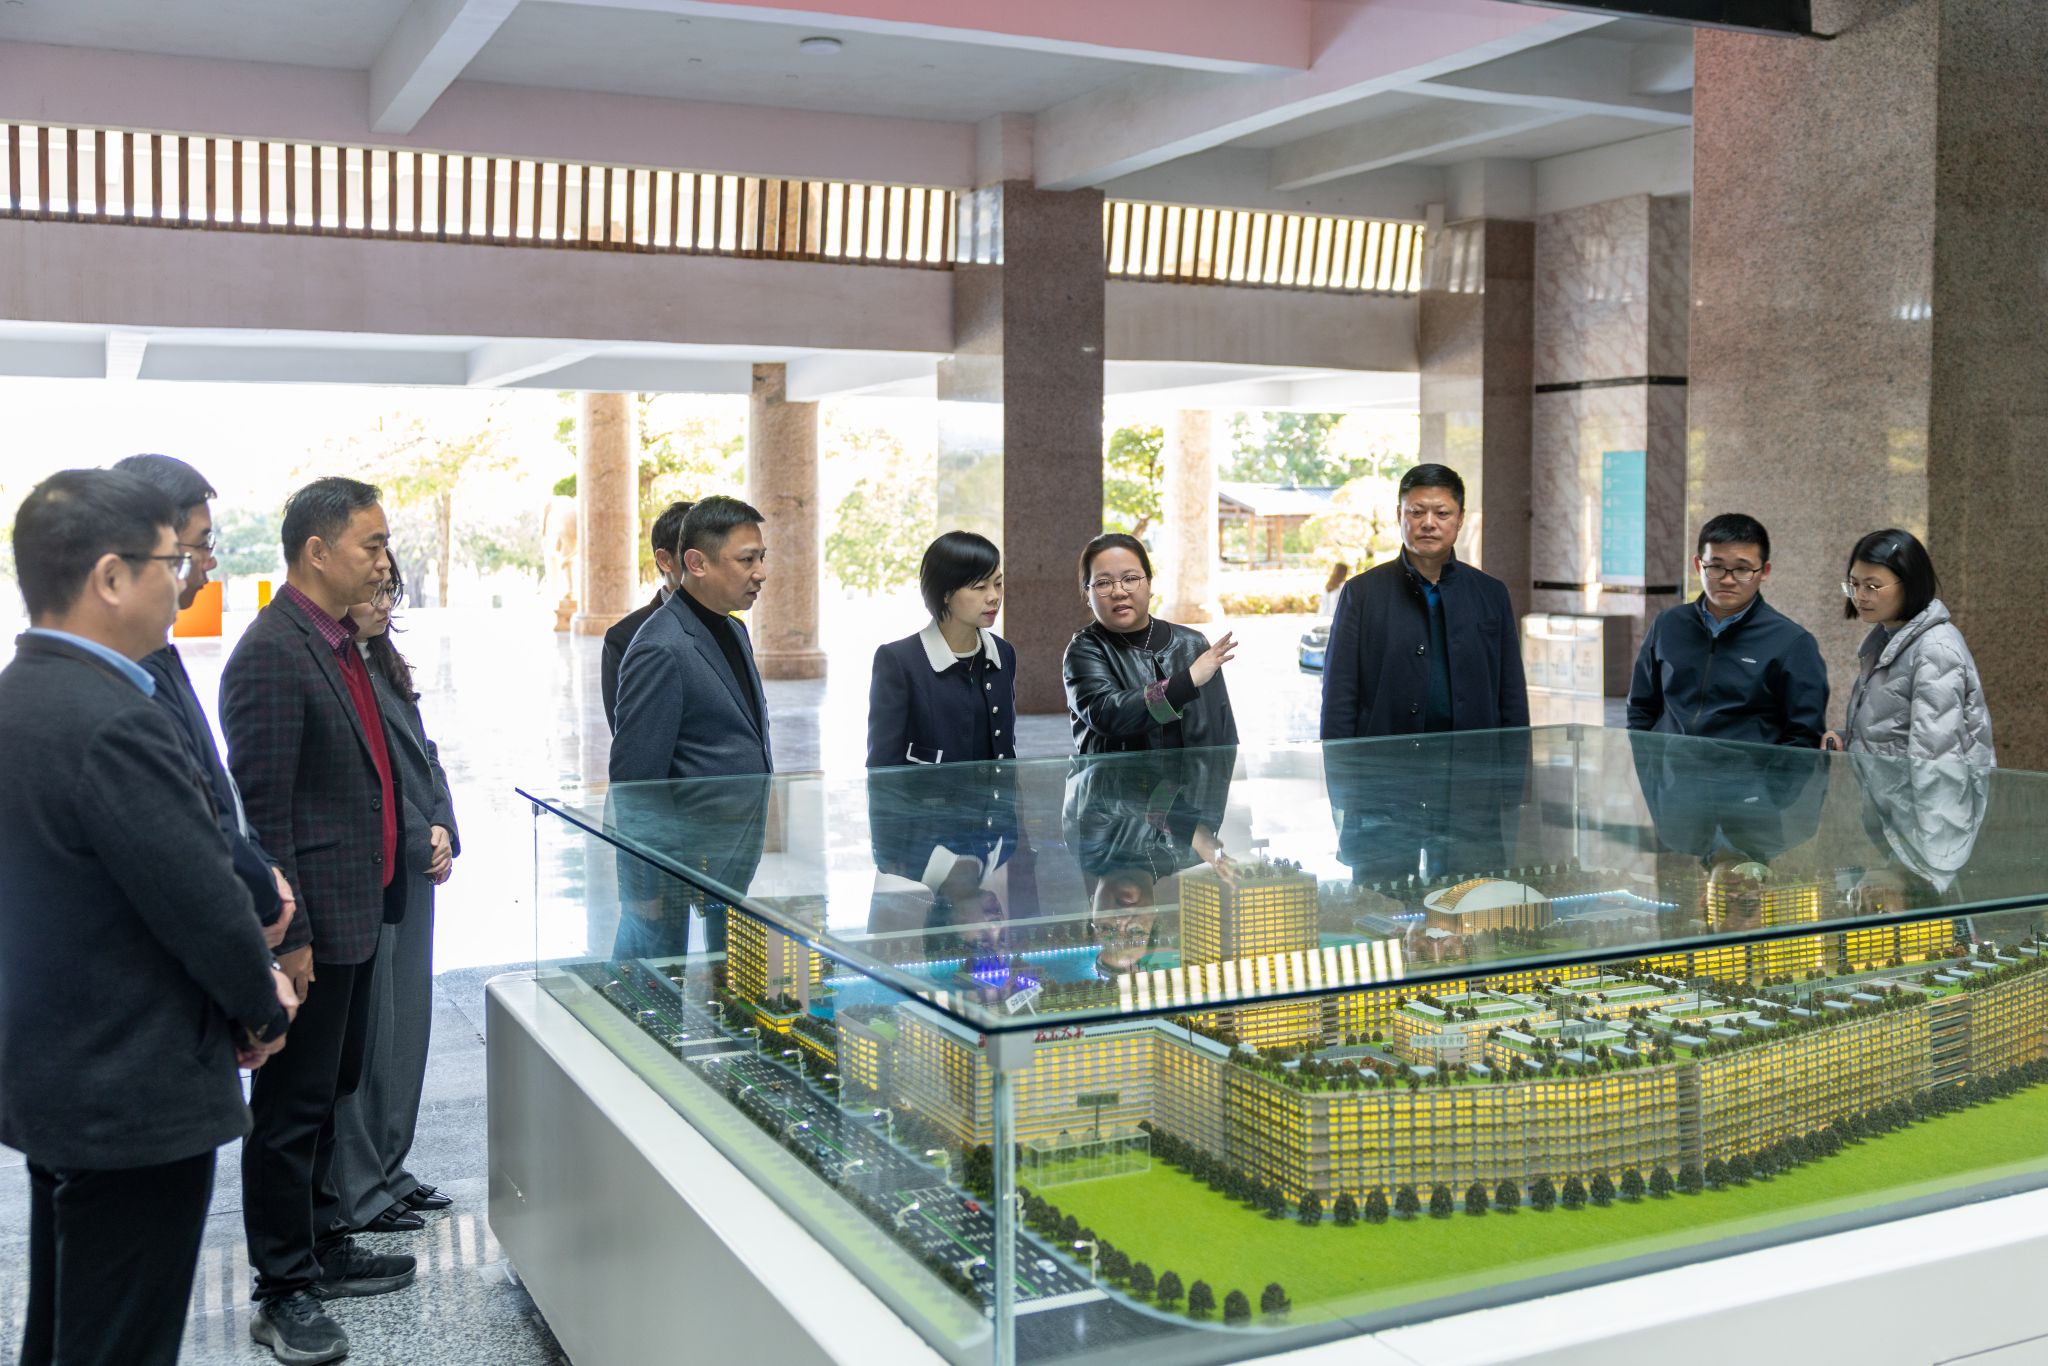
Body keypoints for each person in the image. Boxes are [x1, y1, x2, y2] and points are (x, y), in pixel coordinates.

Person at [0, 470, 296, 1366]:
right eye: (171, 562)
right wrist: (261, 1008)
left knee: (68, 1327)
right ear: (110, 576)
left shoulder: (20, 696)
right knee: (121, 1341)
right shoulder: (114, 721)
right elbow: (200, 899)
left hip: (57, 1074)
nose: (185, 581)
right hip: (134, 1088)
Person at [222, 476, 414, 1365]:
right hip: (315, 928)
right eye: (371, 544)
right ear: (317, 551)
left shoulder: (339, 643)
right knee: (290, 1108)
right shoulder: (273, 652)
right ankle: (283, 1287)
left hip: (357, 911)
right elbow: (263, 818)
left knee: (330, 1090)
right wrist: (289, 939)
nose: (383, 560)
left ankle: (324, 1241)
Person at [113, 454, 296, 951]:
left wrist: (264, 867)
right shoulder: (121, 681)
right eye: (202, 543)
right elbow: (187, 834)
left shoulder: (160, 653)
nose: (210, 561)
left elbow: (221, 793)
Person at [331, 557, 460, 1239]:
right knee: (371, 1039)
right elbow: (362, 779)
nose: (385, 604)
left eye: (390, 593)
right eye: (375, 592)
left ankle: (389, 1168)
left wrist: (444, 826)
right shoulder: (333, 664)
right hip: (376, 867)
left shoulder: (383, 662)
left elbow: (425, 755)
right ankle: (360, 1184)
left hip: (412, 864)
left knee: (407, 1027)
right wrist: (419, 835)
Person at [1319, 464, 1528, 739]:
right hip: (1386, 757)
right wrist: (1340, 761)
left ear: (1460, 518)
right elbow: (1339, 695)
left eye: (1442, 513)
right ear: (1399, 515)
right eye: (1416, 512)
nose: (1429, 523)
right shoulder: (1361, 593)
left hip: (1474, 757)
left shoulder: (1491, 593)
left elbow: (1512, 695)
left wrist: (1516, 762)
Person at [1626, 512, 1829, 747]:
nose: (1728, 580)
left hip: (1746, 771)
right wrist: (1650, 764)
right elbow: (1640, 707)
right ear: (1698, 565)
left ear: (1764, 571)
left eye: (1742, 569)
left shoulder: (1792, 642)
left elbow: (1804, 735)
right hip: (1670, 768)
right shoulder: (1667, 624)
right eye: (1716, 566)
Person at [610, 495, 774, 782]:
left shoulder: (735, 629)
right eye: (747, 559)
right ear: (697, 563)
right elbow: (634, 783)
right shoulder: (659, 648)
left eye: (761, 557)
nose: (761, 573)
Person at [1823, 528, 1995, 766]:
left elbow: (1937, 762)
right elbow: (1894, 737)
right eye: (1854, 584)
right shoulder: (1887, 639)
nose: (1859, 596)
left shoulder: (1935, 650)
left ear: (1909, 584)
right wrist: (1846, 738)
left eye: (1872, 587)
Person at [1063, 532, 1237, 754]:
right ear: (1088, 594)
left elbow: (1222, 730)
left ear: (1149, 583)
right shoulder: (1085, 650)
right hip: (1115, 778)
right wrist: (1187, 681)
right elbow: (1108, 716)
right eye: (1103, 583)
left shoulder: (1193, 643)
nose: (1119, 592)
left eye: (1130, 579)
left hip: (1195, 777)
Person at [867, 530, 1017, 768]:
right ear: (945, 593)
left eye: (998, 584)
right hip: (927, 794)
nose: (994, 596)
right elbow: (882, 764)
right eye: (980, 587)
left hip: (996, 794)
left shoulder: (1003, 653)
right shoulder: (898, 661)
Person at [600, 498, 694, 733]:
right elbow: (627, 735)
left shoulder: (734, 628)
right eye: (694, 555)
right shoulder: (624, 637)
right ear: (665, 560)